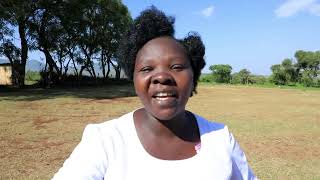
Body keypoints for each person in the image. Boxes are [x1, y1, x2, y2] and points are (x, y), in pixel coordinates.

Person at [53, 6, 257, 180]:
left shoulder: (221, 139)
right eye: (147, 69)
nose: (162, 76)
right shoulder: (104, 141)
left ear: (193, 76)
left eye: (177, 66)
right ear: (133, 78)